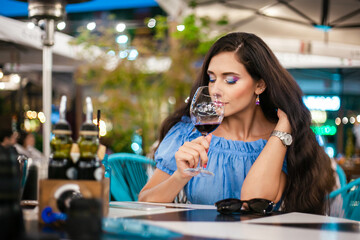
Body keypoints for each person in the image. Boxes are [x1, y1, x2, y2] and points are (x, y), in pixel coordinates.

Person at [138, 32, 335, 215]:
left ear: (260, 85)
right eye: (212, 78)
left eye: (230, 80)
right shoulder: (187, 133)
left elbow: (253, 202)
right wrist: (180, 176)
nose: (215, 89)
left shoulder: (280, 140)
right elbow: (145, 202)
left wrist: (284, 124)